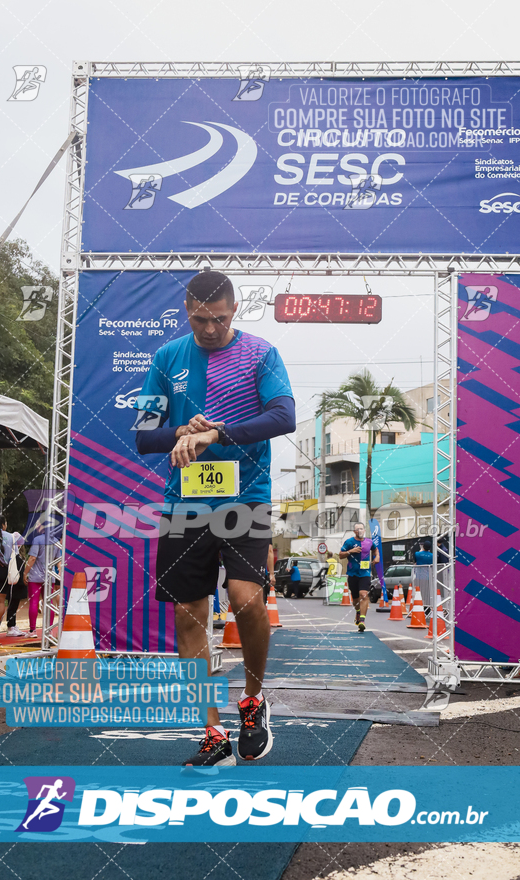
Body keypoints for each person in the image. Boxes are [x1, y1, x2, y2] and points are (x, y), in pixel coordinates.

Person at [136, 270, 295, 766]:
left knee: (245, 598)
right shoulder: (167, 358)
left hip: (244, 496)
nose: (210, 328)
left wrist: (217, 434)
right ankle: (211, 731)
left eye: (220, 319)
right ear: (187, 311)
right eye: (201, 319)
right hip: (184, 503)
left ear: (235, 310)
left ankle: (252, 701)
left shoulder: (260, 353)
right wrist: (181, 429)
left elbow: (284, 417)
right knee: (189, 617)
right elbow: (144, 435)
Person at [339, 522, 379, 632]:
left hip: (365, 573)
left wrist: (377, 557)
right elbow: (341, 555)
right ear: (354, 531)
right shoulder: (349, 542)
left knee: (364, 594)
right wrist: (351, 551)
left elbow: (375, 549)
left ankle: (362, 620)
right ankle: (358, 611)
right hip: (353, 573)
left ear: (364, 530)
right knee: (355, 598)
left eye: (361, 529)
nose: (360, 531)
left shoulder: (369, 542)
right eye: (357, 529)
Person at [23, 524, 55, 637]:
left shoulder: (37, 540)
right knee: (49, 603)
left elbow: (32, 558)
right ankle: (49, 630)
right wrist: (59, 571)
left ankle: (32, 631)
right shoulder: (55, 541)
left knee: (34, 602)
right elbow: (59, 560)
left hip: (35, 577)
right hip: (50, 576)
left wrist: (25, 572)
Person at [5, 532, 28, 637]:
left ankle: (12, 625)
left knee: (13, 605)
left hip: (15, 584)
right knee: (13, 605)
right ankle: (10, 626)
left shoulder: (15, 556)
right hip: (15, 585)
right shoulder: (15, 557)